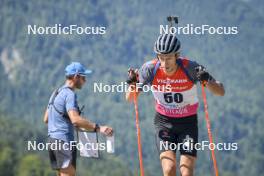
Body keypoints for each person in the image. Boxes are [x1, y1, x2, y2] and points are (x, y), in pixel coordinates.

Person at [125, 33, 225, 176]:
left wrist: (207, 80)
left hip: (188, 124)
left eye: (169, 58)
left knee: (186, 171)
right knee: (169, 168)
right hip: (163, 122)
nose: (165, 64)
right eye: (161, 58)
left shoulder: (191, 68)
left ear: (177, 56)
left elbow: (220, 91)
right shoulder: (149, 69)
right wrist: (132, 84)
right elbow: (130, 98)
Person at [43, 62, 113, 176]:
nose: (85, 81)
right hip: (64, 141)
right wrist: (99, 128)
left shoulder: (55, 93)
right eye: (83, 77)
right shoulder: (69, 94)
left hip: (52, 141)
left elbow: (46, 119)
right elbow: (75, 119)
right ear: (76, 77)